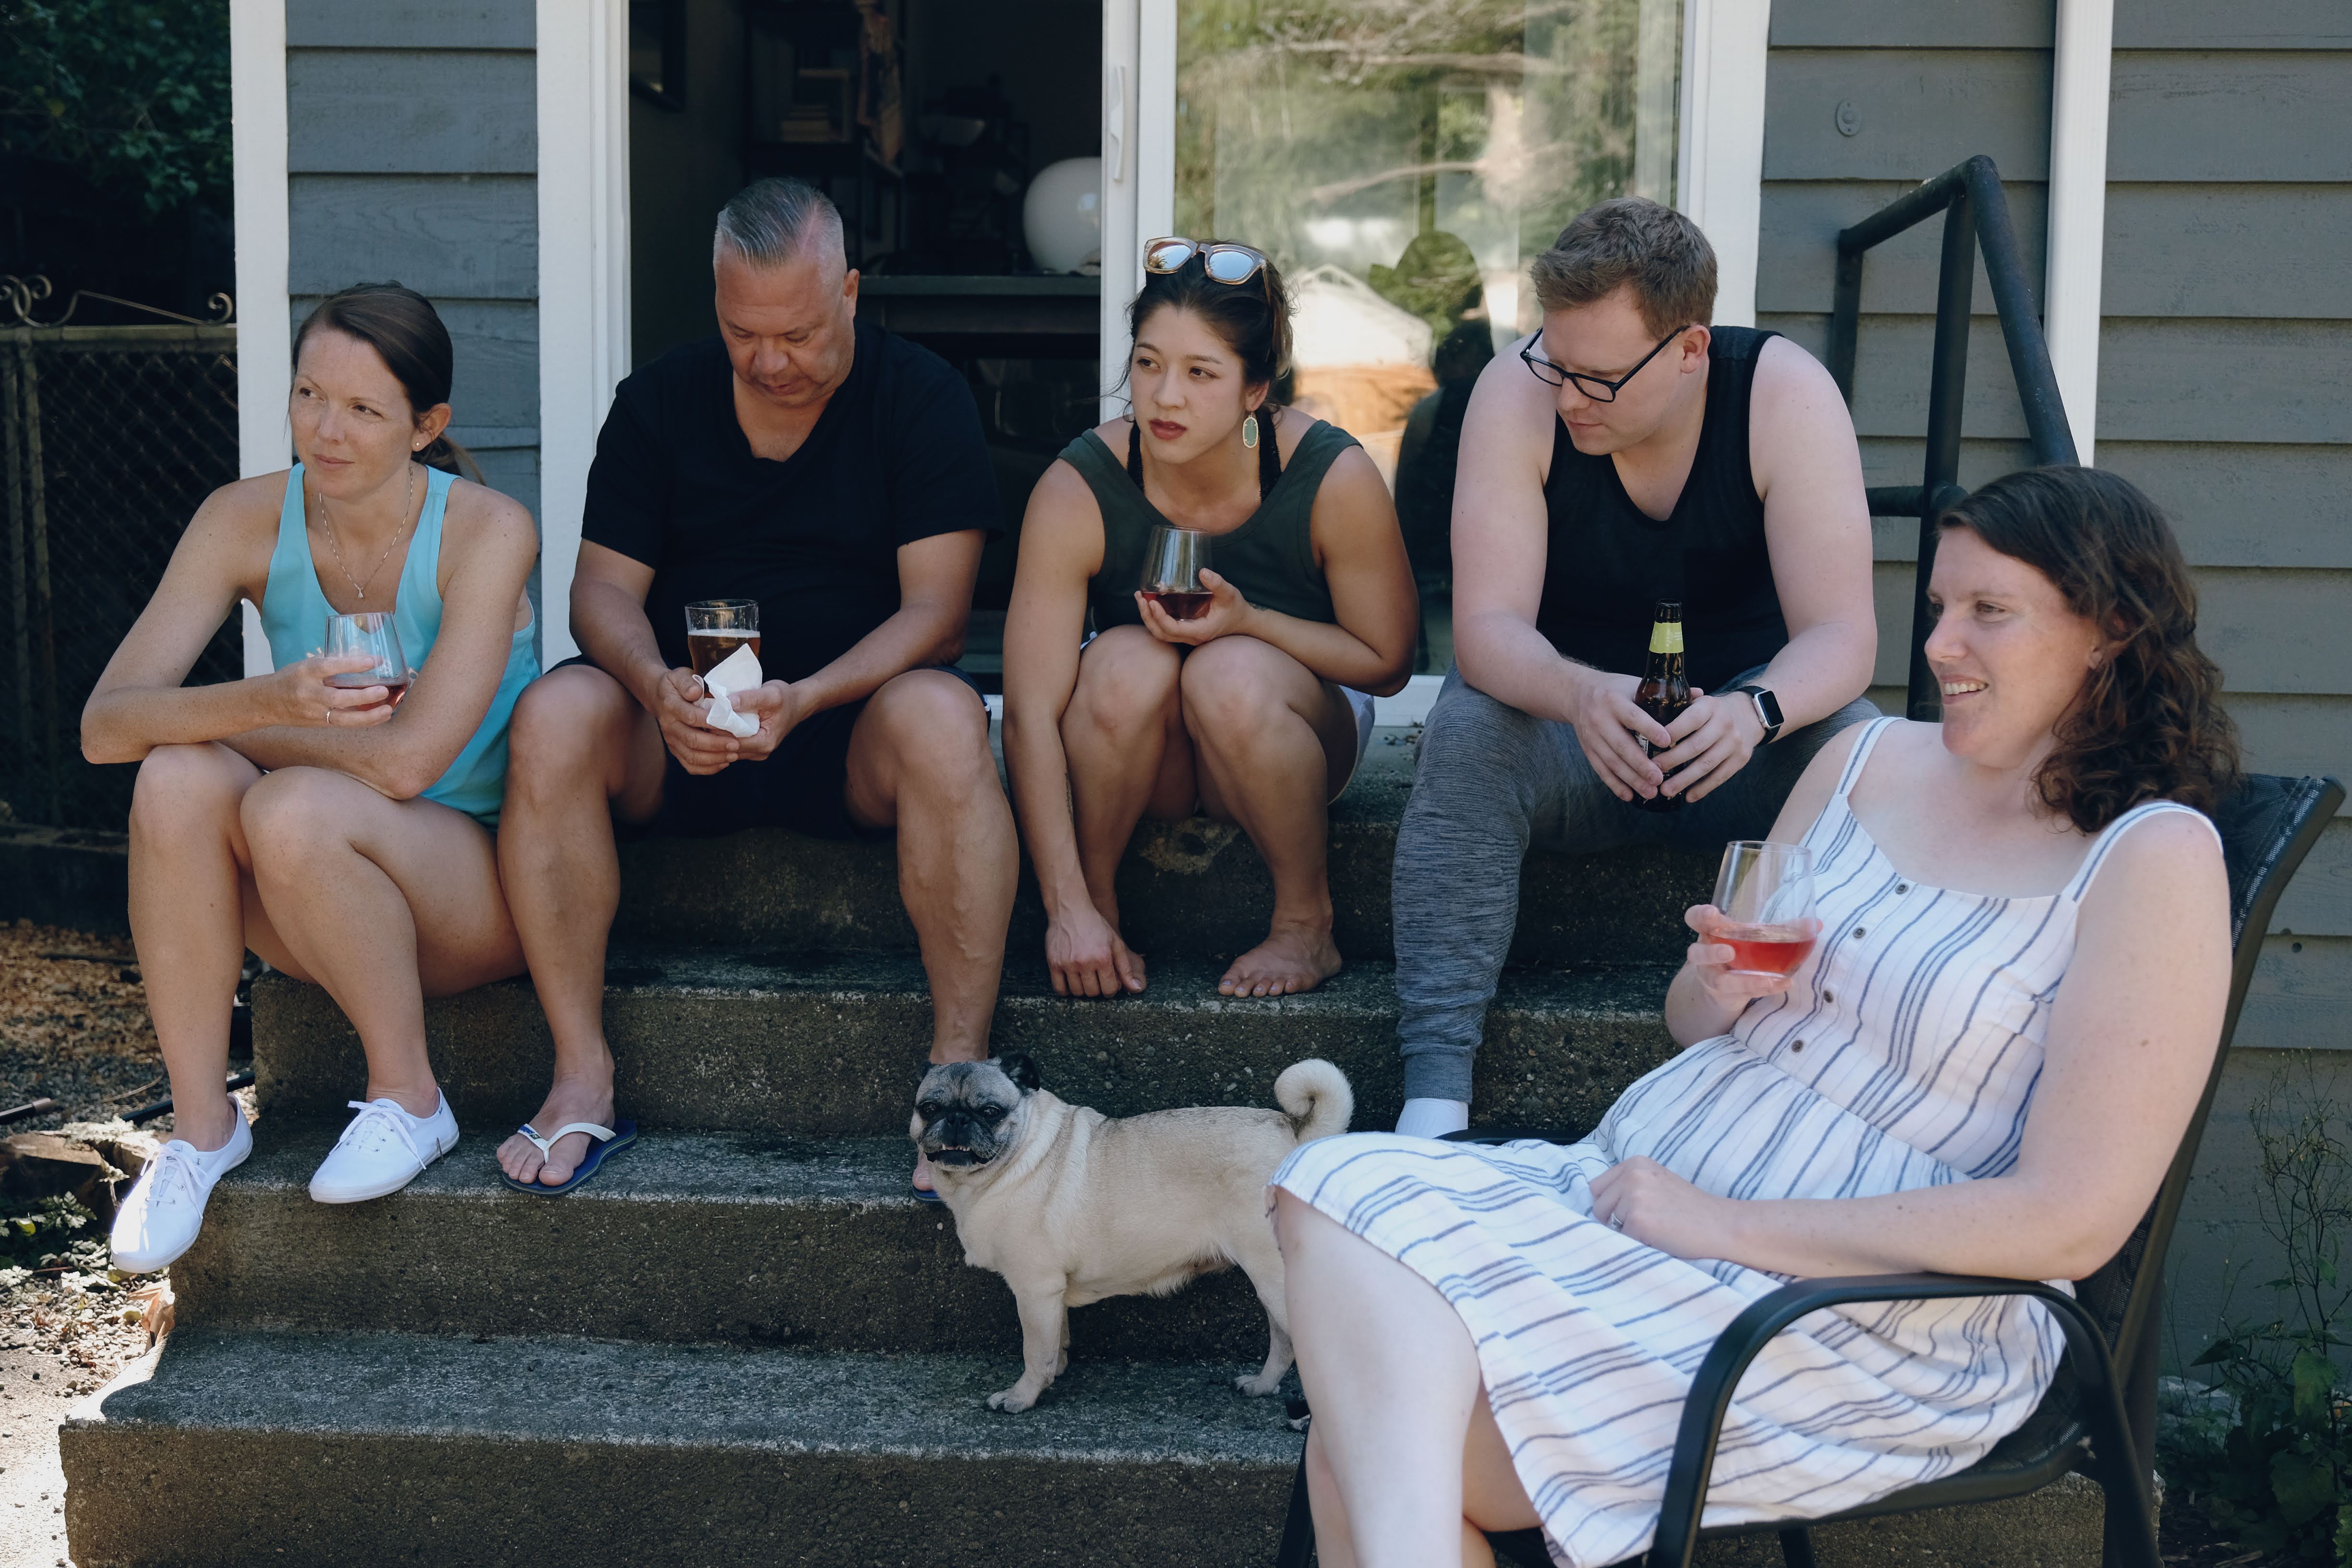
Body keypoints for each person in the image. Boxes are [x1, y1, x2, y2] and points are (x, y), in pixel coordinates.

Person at [1269, 465, 2243, 1568]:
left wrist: (1726, 1227)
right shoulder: (1862, 758)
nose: (1938, 644)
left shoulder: (2150, 859)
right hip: (1631, 1194)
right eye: (1937, 607)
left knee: (1369, 1441)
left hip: (1860, 1307)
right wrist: (1716, 985)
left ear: (2111, 631)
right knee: (1324, 1187)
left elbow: (2070, 1220)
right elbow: (1695, 1018)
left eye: (1989, 610)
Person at [495, 178, 1015, 1198]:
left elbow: (938, 615)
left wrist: (809, 695)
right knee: (554, 713)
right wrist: (654, 685)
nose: (772, 361)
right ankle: (580, 1075)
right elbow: (599, 592)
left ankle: (957, 1080)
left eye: (799, 334)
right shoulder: (658, 400)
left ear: (850, 292)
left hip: (847, 723)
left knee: (946, 713)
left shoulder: (922, 396)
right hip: (678, 728)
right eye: (744, 334)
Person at [1390, 197, 1879, 1141]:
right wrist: (1577, 693)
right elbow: (1486, 630)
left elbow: (1842, 638)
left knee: (1858, 746)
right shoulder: (1516, 391)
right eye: (1556, 363)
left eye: (1600, 379)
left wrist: (1754, 710)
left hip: (1735, 751)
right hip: (1571, 744)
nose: (1569, 397)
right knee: (1468, 726)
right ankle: (1434, 1103)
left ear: (1690, 350)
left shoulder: (1782, 395)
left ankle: (1808, 1086)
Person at [90, 283, 543, 1269]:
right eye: (309, 395)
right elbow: (106, 724)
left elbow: (408, 761)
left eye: (364, 409)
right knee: (172, 780)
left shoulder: (488, 529)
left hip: (470, 892)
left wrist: (261, 731)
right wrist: (270, 699)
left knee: (287, 801)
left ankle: (409, 1096)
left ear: (427, 426)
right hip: (306, 893)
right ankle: (203, 1130)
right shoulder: (244, 516)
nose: (325, 431)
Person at [1002, 238, 1417, 1001]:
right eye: (1149, 363)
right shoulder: (1078, 485)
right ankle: (1099, 910)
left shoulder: (1331, 474)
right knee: (1124, 658)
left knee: (1229, 672)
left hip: (1282, 739)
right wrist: (1064, 909)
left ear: (1255, 389)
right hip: (1147, 753)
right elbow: (1028, 713)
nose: (1165, 397)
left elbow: (1388, 665)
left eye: (1201, 373)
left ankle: (1305, 922)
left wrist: (1248, 621)